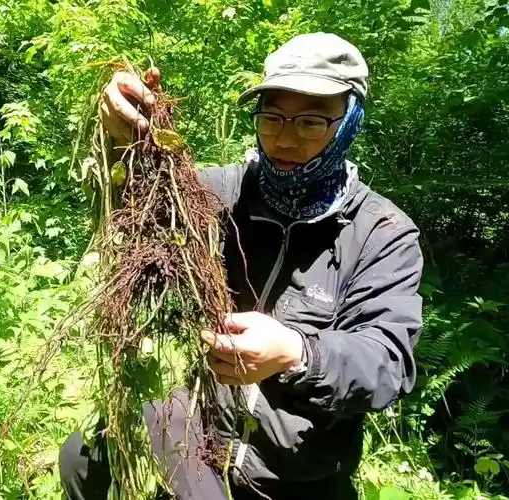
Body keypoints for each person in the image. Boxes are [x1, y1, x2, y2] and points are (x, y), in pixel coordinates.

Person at [59, 32, 424, 500]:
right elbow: (137, 203)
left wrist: (298, 353)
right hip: (198, 434)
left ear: (348, 122)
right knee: (81, 458)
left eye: (310, 122)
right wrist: (123, 134)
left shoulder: (381, 231)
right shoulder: (220, 193)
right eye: (271, 118)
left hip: (293, 478)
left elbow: (388, 363)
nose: (284, 138)